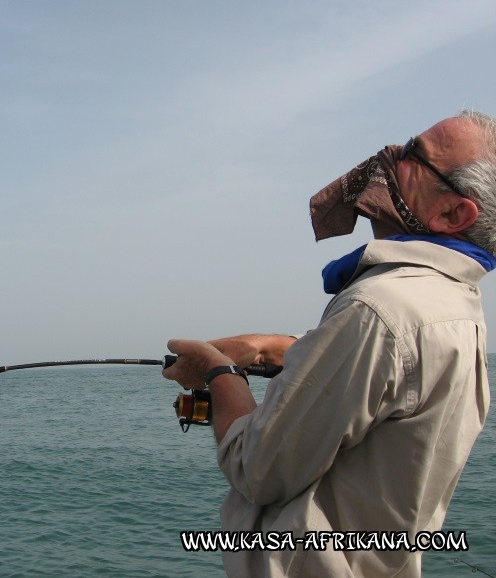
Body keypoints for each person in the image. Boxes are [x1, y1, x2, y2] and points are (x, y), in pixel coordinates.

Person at [163, 110, 495, 577]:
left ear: (452, 213)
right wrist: (272, 347)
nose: (391, 155)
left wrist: (218, 374)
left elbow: (259, 468)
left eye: (414, 154)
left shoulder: (380, 309)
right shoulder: (453, 305)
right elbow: (389, 376)